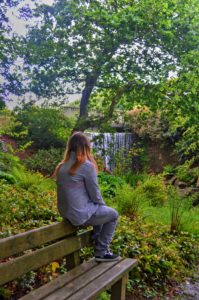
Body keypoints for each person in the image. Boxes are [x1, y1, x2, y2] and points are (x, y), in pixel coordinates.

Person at [53, 132, 119, 262]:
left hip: (67, 214)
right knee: (113, 215)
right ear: (86, 147)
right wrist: (103, 205)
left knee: (100, 210)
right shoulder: (86, 166)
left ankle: (98, 242)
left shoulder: (61, 166)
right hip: (79, 215)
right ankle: (101, 252)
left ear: (70, 146)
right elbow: (95, 194)